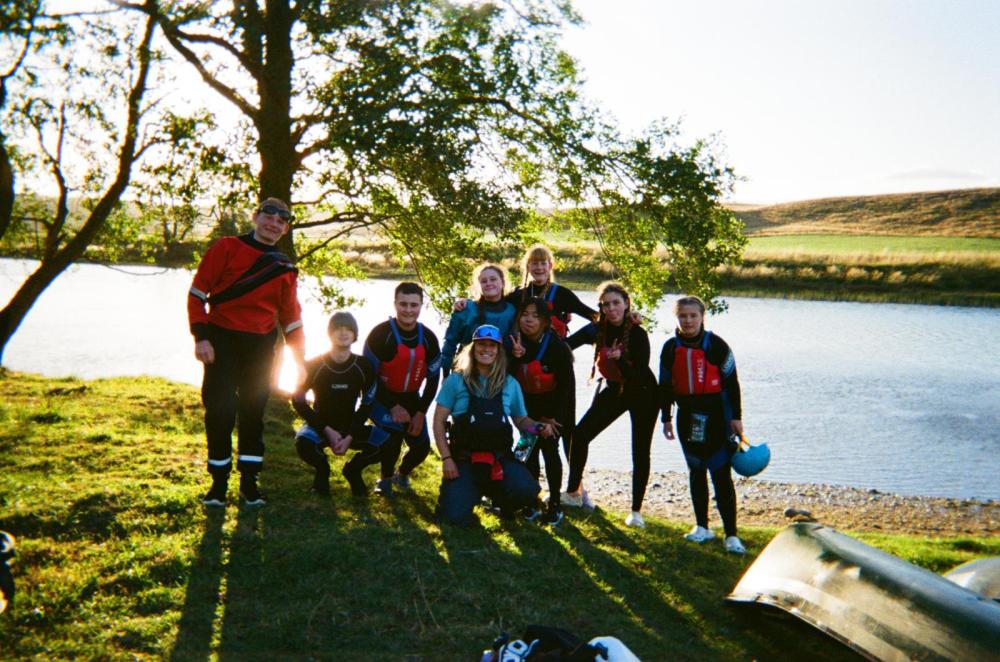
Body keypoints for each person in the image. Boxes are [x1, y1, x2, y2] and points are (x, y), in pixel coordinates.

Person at [188, 197, 305, 507]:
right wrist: (201, 337)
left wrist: (299, 359)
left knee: (253, 415)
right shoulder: (225, 248)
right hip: (221, 342)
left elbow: (291, 318)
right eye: (269, 216)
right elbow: (197, 295)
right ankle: (217, 486)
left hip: (260, 349)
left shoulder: (285, 267)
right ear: (256, 217)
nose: (274, 223)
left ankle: (249, 485)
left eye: (281, 221)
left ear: (284, 229)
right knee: (221, 411)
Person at [433, 325, 555, 527]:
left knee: (527, 490)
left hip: (499, 460)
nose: (486, 349)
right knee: (452, 518)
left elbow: (521, 420)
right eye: (481, 344)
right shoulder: (455, 381)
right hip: (464, 460)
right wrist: (446, 459)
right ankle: (466, 495)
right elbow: (438, 422)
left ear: (499, 350)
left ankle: (498, 501)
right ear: (473, 348)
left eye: (492, 345)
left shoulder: (509, 383)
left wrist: (538, 427)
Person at [563, 282, 658, 528]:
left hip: (644, 392)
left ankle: (636, 511)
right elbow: (565, 345)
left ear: (626, 303)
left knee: (640, 450)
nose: (611, 308)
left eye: (616, 303)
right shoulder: (597, 330)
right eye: (606, 304)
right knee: (580, 434)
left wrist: (620, 361)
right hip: (615, 390)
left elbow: (638, 374)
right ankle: (573, 492)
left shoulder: (638, 333)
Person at [659, 295, 746, 554]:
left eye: (692, 316)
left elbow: (732, 382)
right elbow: (664, 386)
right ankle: (702, 527)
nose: (688, 321)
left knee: (720, 473)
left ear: (702, 317)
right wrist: (665, 418)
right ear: (677, 318)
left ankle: (731, 534)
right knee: (696, 471)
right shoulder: (669, 348)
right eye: (683, 316)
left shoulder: (717, 345)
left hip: (717, 417)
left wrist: (736, 418)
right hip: (686, 416)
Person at [360, 282, 442, 496]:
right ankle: (385, 479)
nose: (408, 310)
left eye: (413, 305)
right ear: (395, 304)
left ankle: (402, 473)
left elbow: (433, 380)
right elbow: (369, 378)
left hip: (412, 398)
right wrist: (393, 406)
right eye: (403, 304)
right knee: (392, 440)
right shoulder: (380, 334)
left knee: (422, 446)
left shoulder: (429, 339)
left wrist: (421, 411)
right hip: (382, 397)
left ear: (421, 306)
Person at [291, 312, 376, 496]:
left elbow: (367, 404)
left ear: (355, 334)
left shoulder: (364, 366)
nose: (343, 333)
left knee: (387, 441)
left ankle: (353, 471)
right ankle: (322, 472)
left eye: (348, 329)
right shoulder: (313, 365)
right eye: (338, 328)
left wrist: (351, 436)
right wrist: (326, 429)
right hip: (320, 426)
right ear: (329, 333)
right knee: (303, 443)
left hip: (349, 426)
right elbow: (297, 400)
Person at [508, 298, 575, 526]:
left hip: (553, 407)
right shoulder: (514, 341)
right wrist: (514, 356)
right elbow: (507, 375)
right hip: (527, 407)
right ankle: (531, 501)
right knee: (529, 451)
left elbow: (566, 386)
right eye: (524, 314)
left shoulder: (557, 347)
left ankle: (555, 503)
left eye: (535, 316)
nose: (528, 319)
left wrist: (552, 417)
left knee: (549, 449)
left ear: (545, 321)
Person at [440, 263, 517, 377]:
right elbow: (450, 343)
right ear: (478, 286)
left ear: (503, 282)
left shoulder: (512, 311)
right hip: (466, 370)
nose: (489, 283)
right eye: (484, 281)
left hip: (499, 373)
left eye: (493, 279)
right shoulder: (466, 309)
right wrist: (446, 375)